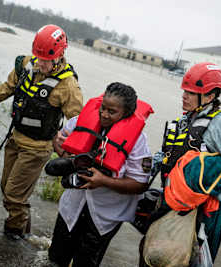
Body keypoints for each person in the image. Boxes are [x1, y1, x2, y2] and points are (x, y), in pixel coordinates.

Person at [0, 24, 83, 239]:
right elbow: (6, 89)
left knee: (14, 196)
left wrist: (69, 150)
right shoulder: (26, 65)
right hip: (15, 139)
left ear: (60, 55)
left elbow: (78, 124)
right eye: (39, 57)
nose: (41, 63)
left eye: (46, 60)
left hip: (37, 149)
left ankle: (13, 236)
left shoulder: (68, 86)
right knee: (6, 188)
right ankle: (24, 227)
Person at [139, 62, 221, 266]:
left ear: (209, 96)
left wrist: (216, 195)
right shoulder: (183, 121)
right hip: (172, 200)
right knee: (154, 256)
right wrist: (142, 168)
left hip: (201, 210)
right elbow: (167, 154)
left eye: (191, 92)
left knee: (190, 259)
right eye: (185, 91)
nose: (184, 96)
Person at [48, 82, 154, 267]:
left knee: (86, 263)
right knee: (56, 259)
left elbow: (140, 185)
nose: (104, 114)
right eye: (103, 108)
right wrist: (64, 153)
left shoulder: (138, 142)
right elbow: (59, 140)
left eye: (111, 112)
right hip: (71, 207)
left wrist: (103, 181)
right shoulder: (81, 121)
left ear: (126, 113)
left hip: (104, 216)